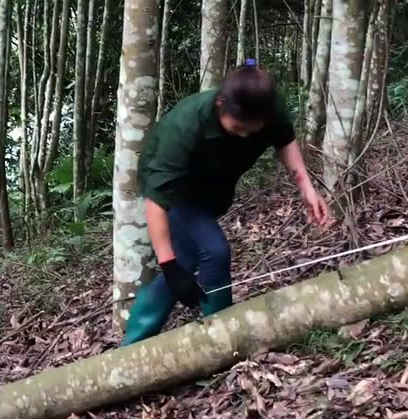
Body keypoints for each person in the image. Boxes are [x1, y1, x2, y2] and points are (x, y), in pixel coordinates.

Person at [121, 61, 333, 346]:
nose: (245, 135)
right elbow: (157, 200)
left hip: (213, 191)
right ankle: (222, 341)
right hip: (177, 191)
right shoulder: (187, 125)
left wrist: (306, 187)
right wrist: (168, 266)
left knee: (185, 261)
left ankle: (132, 345)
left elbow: (285, 141)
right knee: (214, 252)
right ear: (221, 104)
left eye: (252, 129)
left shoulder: (268, 107)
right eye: (238, 127)